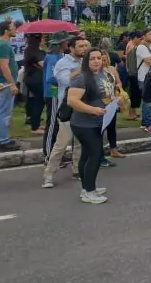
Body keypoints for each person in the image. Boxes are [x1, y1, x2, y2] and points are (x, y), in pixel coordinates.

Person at [66, 48, 110, 204]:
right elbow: (72, 101)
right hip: (84, 124)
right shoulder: (82, 78)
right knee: (95, 155)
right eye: (92, 58)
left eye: (99, 58)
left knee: (87, 155)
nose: (97, 61)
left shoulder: (101, 75)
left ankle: (87, 187)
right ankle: (89, 192)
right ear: (86, 61)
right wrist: (93, 110)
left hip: (97, 122)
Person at [43, 36, 88, 188]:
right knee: (62, 143)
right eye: (80, 46)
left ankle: (77, 170)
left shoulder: (86, 61)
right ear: (71, 48)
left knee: (80, 143)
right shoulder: (63, 63)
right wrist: (81, 70)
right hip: (68, 108)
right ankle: (49, 174)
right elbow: (65, 81)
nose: (84, 49)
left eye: (85, 46)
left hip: (83, 106)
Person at [0, 20, 20, 150]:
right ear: (6, 31)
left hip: (1, 82)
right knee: (4, 112)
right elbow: (4, 67)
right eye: (13, 27)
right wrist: (12, 84)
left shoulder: (2, 43)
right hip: (4, 84)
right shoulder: (3, 45)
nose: (15, 29)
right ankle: (3, 140)